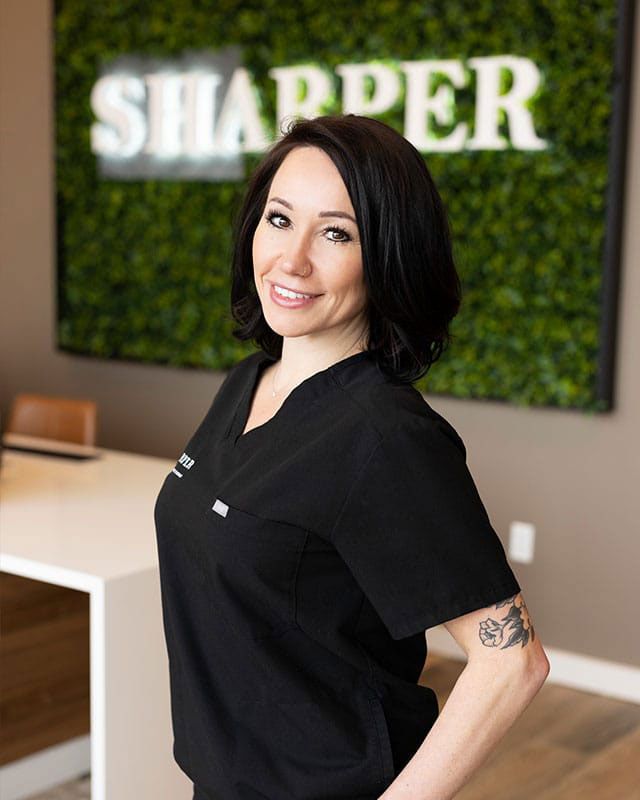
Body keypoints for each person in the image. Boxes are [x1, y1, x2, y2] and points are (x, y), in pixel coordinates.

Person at [154, 113, 550, 800]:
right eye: (280, 219)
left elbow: (511, 661)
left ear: (389, 255)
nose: (292, 259)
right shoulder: (248, 383)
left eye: (336, 233)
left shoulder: (384, 436)